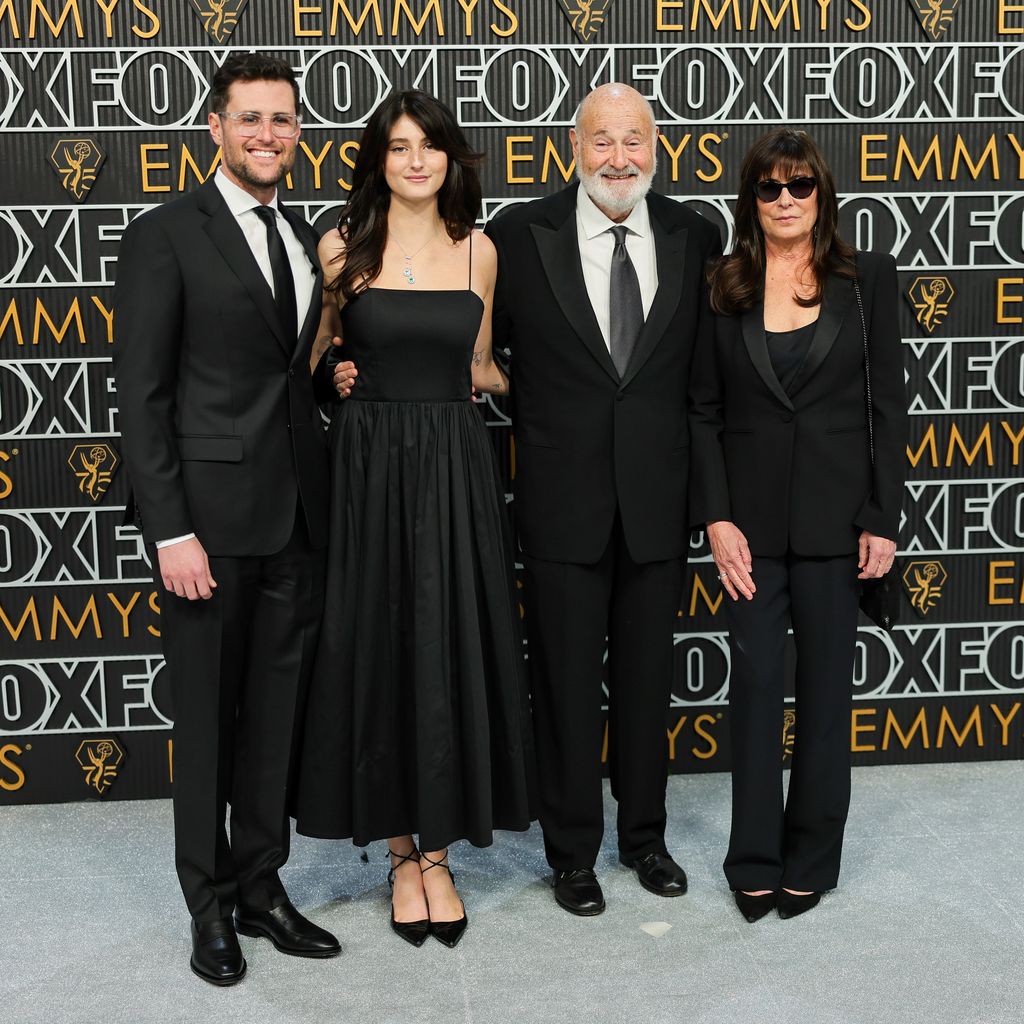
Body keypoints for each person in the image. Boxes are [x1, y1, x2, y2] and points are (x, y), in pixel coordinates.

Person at [339, 83, 719, 916]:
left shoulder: (698, 234)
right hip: (557, 498)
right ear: (572, 148)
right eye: (601, 141)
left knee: (650, 685)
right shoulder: (513, 236)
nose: (619, 157)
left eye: (634, 140)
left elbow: (701, 383)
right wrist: (368, 374)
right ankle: (572, 853)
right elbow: (468, 348)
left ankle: (646, 842)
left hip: (659, 499)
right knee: (565, 684)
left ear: (656, 147)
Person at [113, 53, 340, 985]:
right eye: (249, 120)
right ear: (214, 128)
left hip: (295, 518)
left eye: (282, 121)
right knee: (207, 724)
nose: (266, 136)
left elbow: (288, 372)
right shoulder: (167, 232)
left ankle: (261, 885)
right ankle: (206, 906)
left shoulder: (300, 236)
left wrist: (336, 377)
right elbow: (142, 394)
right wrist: (169, 529)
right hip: (203, 529)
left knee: (273, 721)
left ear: (296, 132)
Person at [292, 90, 532, 949]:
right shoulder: (340, 248)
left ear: (450, 157)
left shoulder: (482, 252)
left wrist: (570, 390)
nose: (416, 161)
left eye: (428, 146)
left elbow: (481, 367)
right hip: (367, 468)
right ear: (378, 161)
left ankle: (437, 854)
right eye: (398, 147)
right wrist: (332, 383)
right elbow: (317, 360)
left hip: (455, 468)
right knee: (379, 644)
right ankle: (399, 855)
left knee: (445, 643)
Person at [689, 128, 908, 922]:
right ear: (750, 201)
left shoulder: (867, 280)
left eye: (800, 186)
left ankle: (811, 855)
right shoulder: (722, 285)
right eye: (769, 188)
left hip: (836, 525)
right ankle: (752, 855)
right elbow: (703, 412)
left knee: (825, 698)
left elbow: (889, 405)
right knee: (752, 691)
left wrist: (883, 515)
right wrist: (715, 516)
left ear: (823, 193)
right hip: (748, 530)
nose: (785, 200)